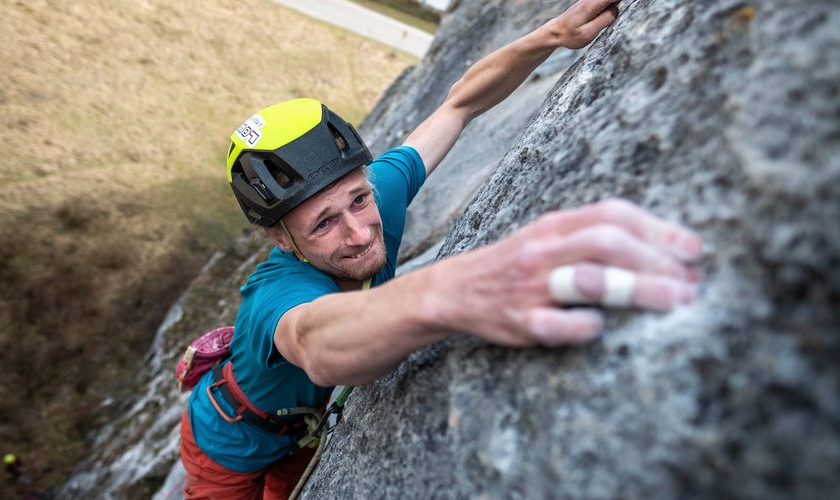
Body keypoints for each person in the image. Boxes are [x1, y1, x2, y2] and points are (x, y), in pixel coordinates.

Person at [180, 0, 703, 498]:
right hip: (227, 443)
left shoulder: (381, 192)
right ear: (279, 239)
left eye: (359, 200)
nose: (361, 232)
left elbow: (460, 104)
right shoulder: (278, 291)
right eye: (323, 226)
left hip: (299, 434)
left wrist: (552, 36)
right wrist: (446, 292)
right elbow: (313, 342)